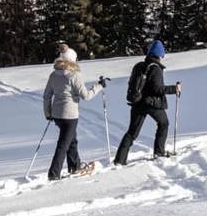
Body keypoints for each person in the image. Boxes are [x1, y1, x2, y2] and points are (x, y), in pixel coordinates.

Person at [43, 44, 106, 180]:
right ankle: (53, 174)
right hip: (70, 116)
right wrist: (99, 86)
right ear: (72, 61)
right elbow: (86, 96)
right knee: (63, 144)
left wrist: (48, 113)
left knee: (71, 141)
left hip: (57, 115)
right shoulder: (74, 75)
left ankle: (75, 166)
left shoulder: (54, 75)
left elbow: (47, 95)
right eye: (76, 59)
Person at [113, 40, 181, 163]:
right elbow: (158, 89)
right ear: (160, 55)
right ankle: (158, 153)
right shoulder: (156, 68)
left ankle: (119, 160)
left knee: (132, 132)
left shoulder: (139, 66)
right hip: (152, 103)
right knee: (164, 124)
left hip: (137, 102)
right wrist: (174, 89)